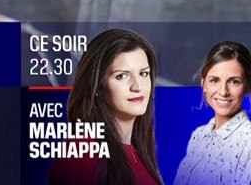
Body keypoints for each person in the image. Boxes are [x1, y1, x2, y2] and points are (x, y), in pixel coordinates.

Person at [47, 28, 163, 185]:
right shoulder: (84, 149)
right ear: (97, 86)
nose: (137, 86)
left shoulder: (140, 153)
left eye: (143, 74)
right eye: (121, 76)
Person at [174, 41, 251, 185]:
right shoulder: (199, 136)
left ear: (246, 86)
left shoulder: (248, 142)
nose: (223, 91)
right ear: (203, 83)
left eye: (234, 82)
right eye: (214, 80)